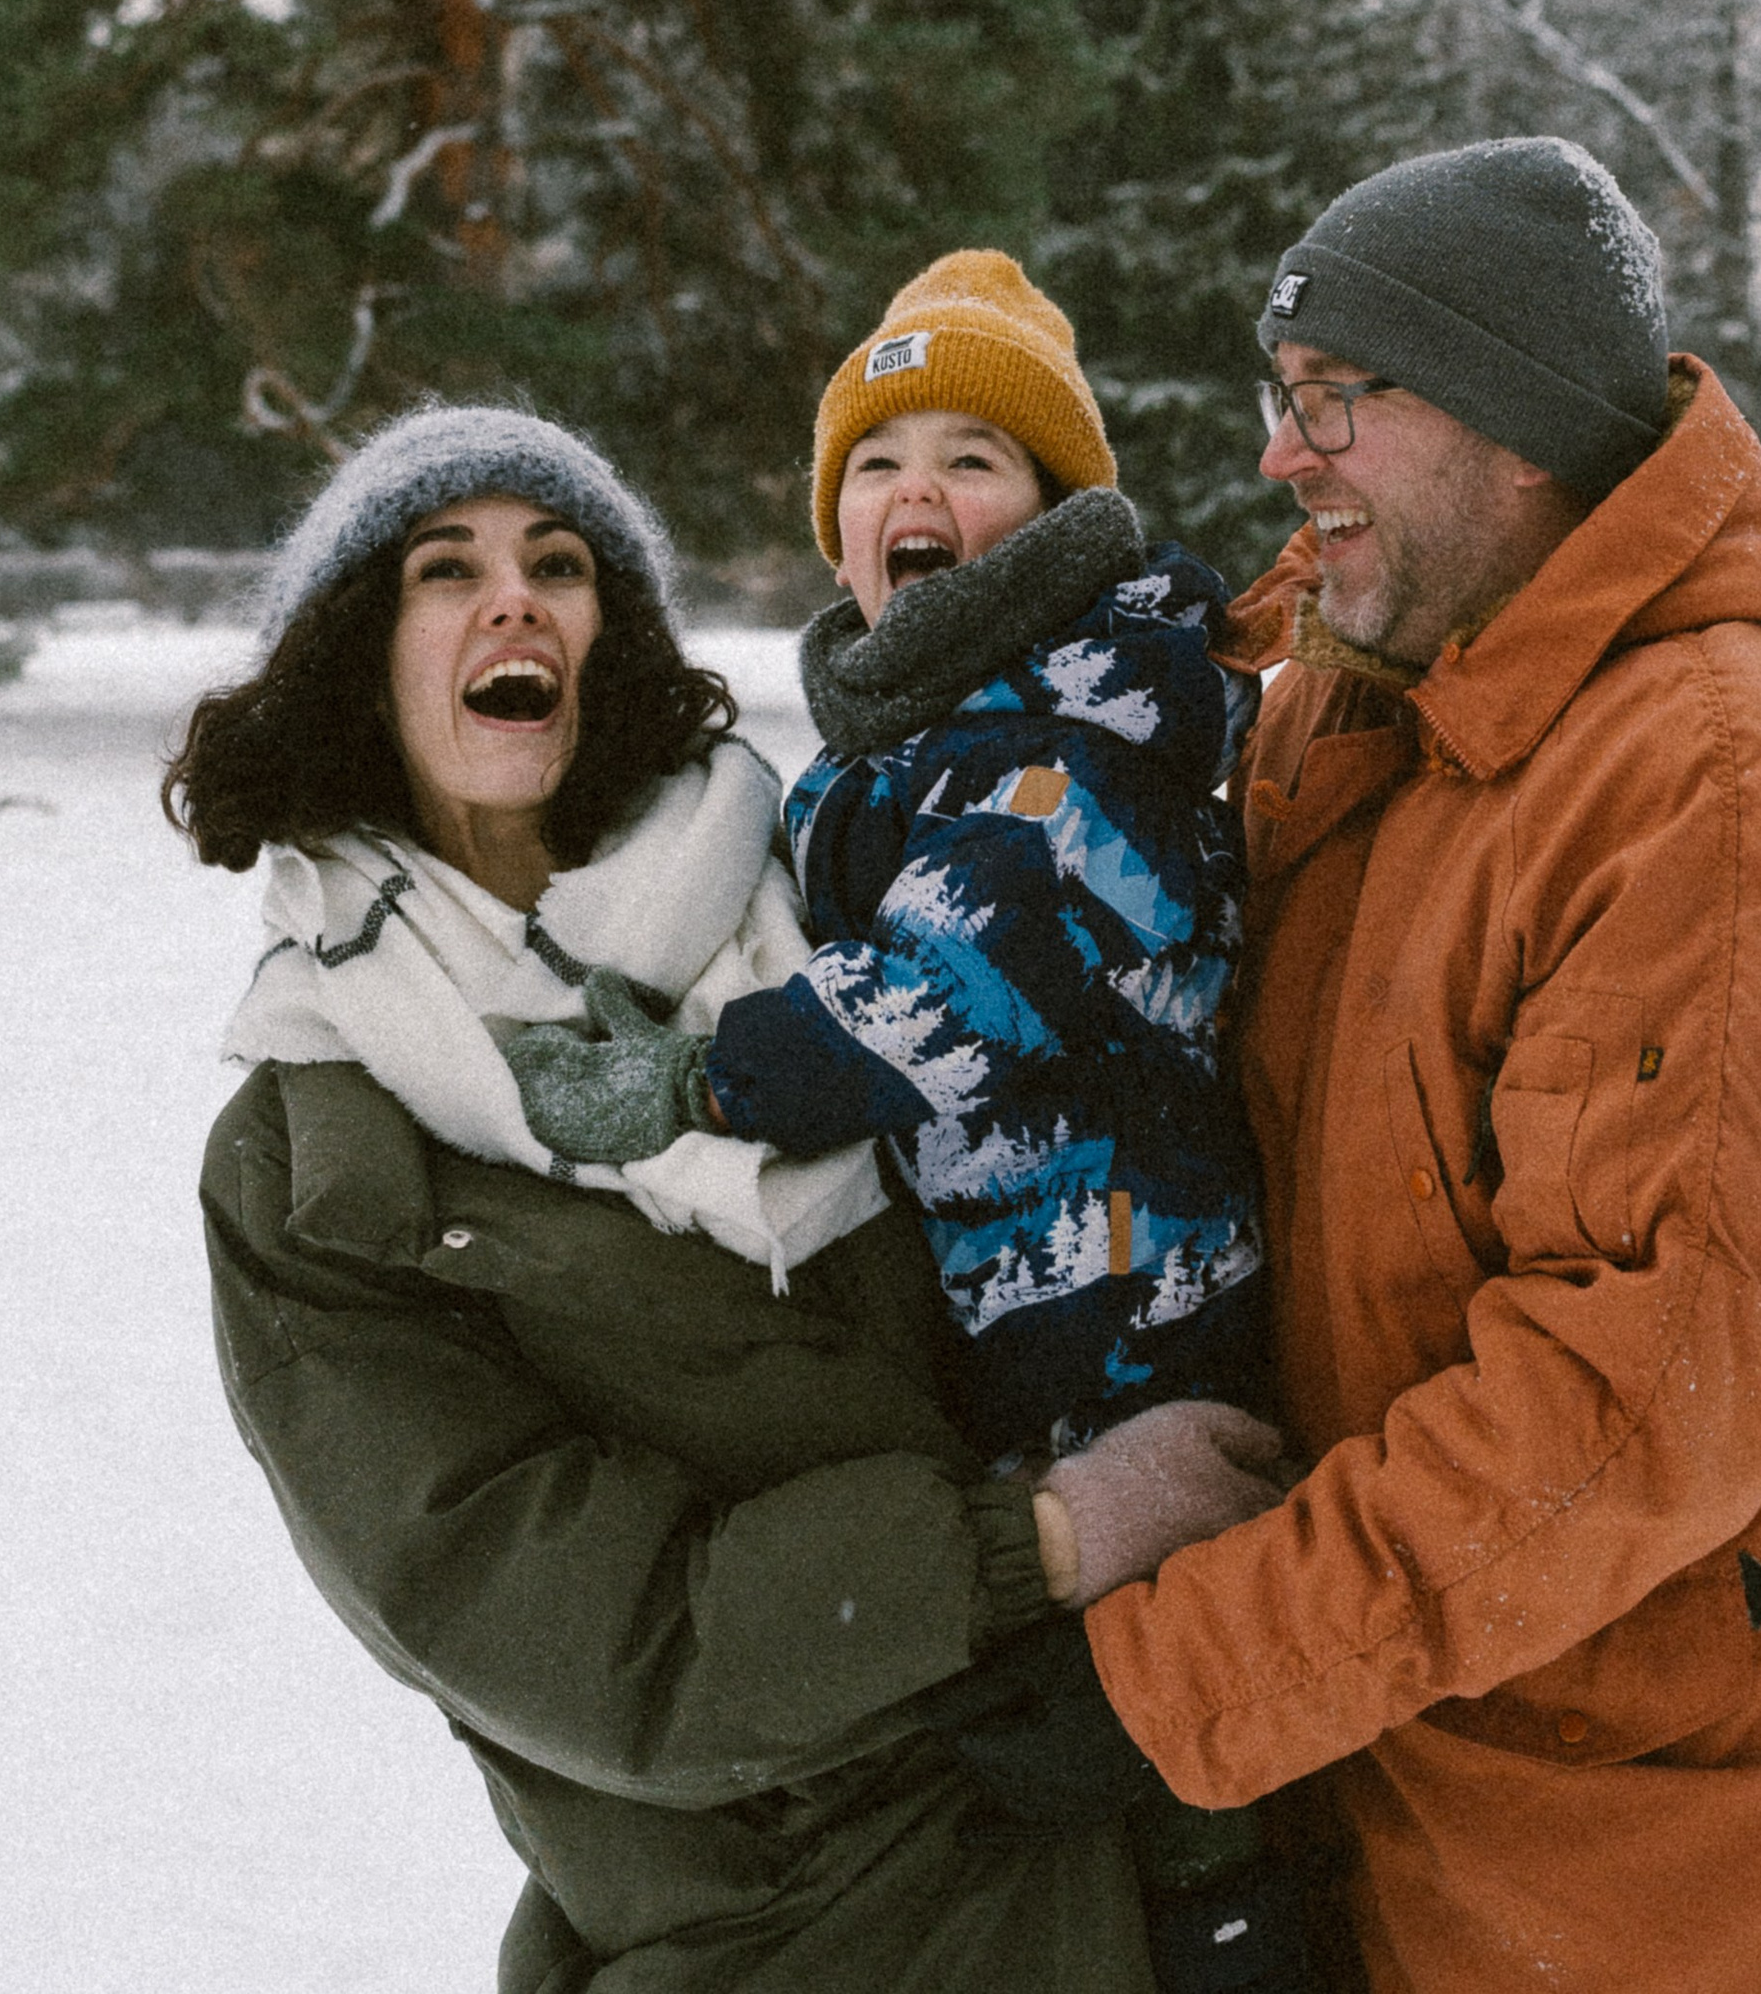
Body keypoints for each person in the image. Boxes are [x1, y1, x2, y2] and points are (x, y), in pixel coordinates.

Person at [1008, 140, 1761, 1994]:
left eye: (1338, 405)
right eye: (1277, 403)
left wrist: (1182, 1681)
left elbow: (1632, 1406)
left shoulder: (1712, 790)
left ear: (1520, 427)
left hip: (1679, 1895)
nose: (1285, 459)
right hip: (1420, 1824)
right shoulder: (1388, 712)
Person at [168, 400, 1278, 1994]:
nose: (515, 599)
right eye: (443, 570)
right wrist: (1038, 1540)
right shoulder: (313, 1166)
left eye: (560, 562)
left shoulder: (819, 914)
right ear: (356, 655)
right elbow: (599, 1648)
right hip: (788, 1931)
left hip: (1116, 1837)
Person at [503, 256, 1322, 1994]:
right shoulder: (897, 747)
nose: (915, 494)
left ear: (1048, 512)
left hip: (1137, 1328)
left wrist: (700, 1076)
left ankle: (1241, 1928)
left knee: (1185, 1775)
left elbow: (966, 965)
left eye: (972, 456)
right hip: (1005, 1357)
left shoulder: (1095, 723)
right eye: (876, 465)